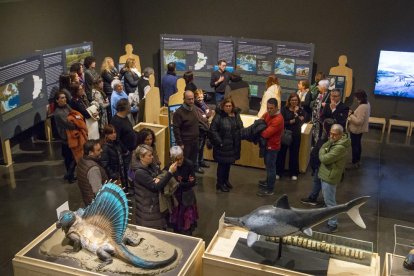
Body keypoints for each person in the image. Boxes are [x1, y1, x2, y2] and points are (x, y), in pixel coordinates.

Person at [134, 144, 178, 230]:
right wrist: (169, 172)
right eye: (149, 155)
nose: (152, 157)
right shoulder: (139, 172)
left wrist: (158, 178)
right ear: (141, 157)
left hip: (154, 207)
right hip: (148, 211)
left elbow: (161, 174)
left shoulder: (151, 166)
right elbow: (156, 187)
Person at [318, 124, 350, 233]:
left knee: (330, 201)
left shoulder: (340, 147)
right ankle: (330, 219)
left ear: (341, 135)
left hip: (330, 176)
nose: (331, 136)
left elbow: (324, 158)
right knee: (327, 200)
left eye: (334, 134)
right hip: (327, 174)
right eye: (330, 133)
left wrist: (323, 150)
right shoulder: (335, 142)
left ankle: (333, 224)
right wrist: (325, 147)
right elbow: (324, 147)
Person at [210, 96, 243, 192]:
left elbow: (240, 126)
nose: (228, 108)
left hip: (232, 145)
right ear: (223, 106)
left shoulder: (236, 115)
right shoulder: (219, 116)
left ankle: (226, 181)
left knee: (228, 165)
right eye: (226, 106)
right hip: (222, 146)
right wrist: (219, 142)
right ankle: (219, 183)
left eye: (230, 106)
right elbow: (213, 130)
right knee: (222, 166)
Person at [300, 118, 335, 206]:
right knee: (318, 182)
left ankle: (325, 202)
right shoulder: (327, 138)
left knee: (323, 184)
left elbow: (322, 154)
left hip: (322, 166)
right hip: (320, 165)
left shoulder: (328, 141)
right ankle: (314, 198)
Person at [256, 98, 284, 196]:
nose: (269, 110)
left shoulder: (278, 119)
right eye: (268, 108)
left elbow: (265, 133)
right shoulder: (268, 114)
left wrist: (259, 129)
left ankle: (270, 189)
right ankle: (267, 182)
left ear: (277, 107)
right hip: (267, 146)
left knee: (271, 167)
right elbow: (260, 121)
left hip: (272, 147)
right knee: (268, 166)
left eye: (271, 108)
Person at [276, 93, 307, 180]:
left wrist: (296, 112)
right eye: (292, 100)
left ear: (298, 101)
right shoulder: (284, 109)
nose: (294, 102)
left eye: (296, 100)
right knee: (281, 153)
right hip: (285, 133)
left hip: (296, 134)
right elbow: (281, 121)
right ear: (289, 101)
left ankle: (294, 173)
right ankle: (278, 172)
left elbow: (302, 120)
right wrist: (291, 121)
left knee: (294, 153)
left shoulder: (301, 110)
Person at [169, 146, 198, 235]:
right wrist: (185, 183)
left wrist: (179, 184)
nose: (180, 161)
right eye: (177, 160)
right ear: (173, 159)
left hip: (187, 196)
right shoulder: (170, 167)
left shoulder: (189, 164)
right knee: (176, 220)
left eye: (181, 158)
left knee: (187, 218)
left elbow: (193, 183)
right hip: (176, 197)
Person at [172, 90, 201, 173]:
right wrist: (180, 143)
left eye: (192, 99)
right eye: (189, 99)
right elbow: (176, 129)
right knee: (185, 162)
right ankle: (184, 179)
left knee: (192, 161)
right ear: (184, 99)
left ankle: (191, 177)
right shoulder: (178, 113)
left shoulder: (194, 108)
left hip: (195, 141)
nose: (191, 101)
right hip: (185, 143)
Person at [53, 90, 77, 183]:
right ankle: (69, 176)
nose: (64, 99)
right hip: (66, 139)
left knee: (73, 157)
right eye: (62, 98)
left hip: (71, 136)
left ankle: (70, 174)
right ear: (57, 100)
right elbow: (69, 124)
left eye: (65, 97)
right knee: (69, 158)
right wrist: (77, 124)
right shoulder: (58, 113)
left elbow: (73, 114)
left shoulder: (67, 106)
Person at [76, 140, 108, 206]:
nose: (101, 150)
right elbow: (98, 191)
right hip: (96, 205)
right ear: (91, 153)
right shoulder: (93, 168)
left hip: (87, 200)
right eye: (98, 150)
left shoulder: (83, 160)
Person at [347, 89, 371, 168]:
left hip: (356, 129)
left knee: (355, 146)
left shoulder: (362, 106)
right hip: (360, 129)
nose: (355, 99)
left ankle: (354, 162)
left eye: (356, 97)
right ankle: (357, 161)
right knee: (358, 144)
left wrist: (350, 115)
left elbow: (359, 121)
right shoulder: (367, 104)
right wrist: (353, 113)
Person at [194, 89, 212, 169]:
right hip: (199, 131)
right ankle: (196, 165)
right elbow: (200, 119)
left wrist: (205, 115)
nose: (200, 99)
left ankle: (201, 162)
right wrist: (205, 116)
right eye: (198, 97)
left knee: (202, 148)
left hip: (204, 131)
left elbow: (210, 112)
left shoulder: (203, 104)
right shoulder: (194, 107)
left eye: (201, 97)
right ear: (195, 98)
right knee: (197, 149)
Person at [311, 79, 330, 145]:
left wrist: (326, 105)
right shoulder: (319, 94)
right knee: (315, 134)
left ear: (323, 87)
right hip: (316, 119)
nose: (317, 87)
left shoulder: (329, 95)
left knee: (321, 136)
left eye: (319, 85)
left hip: (322, 120)